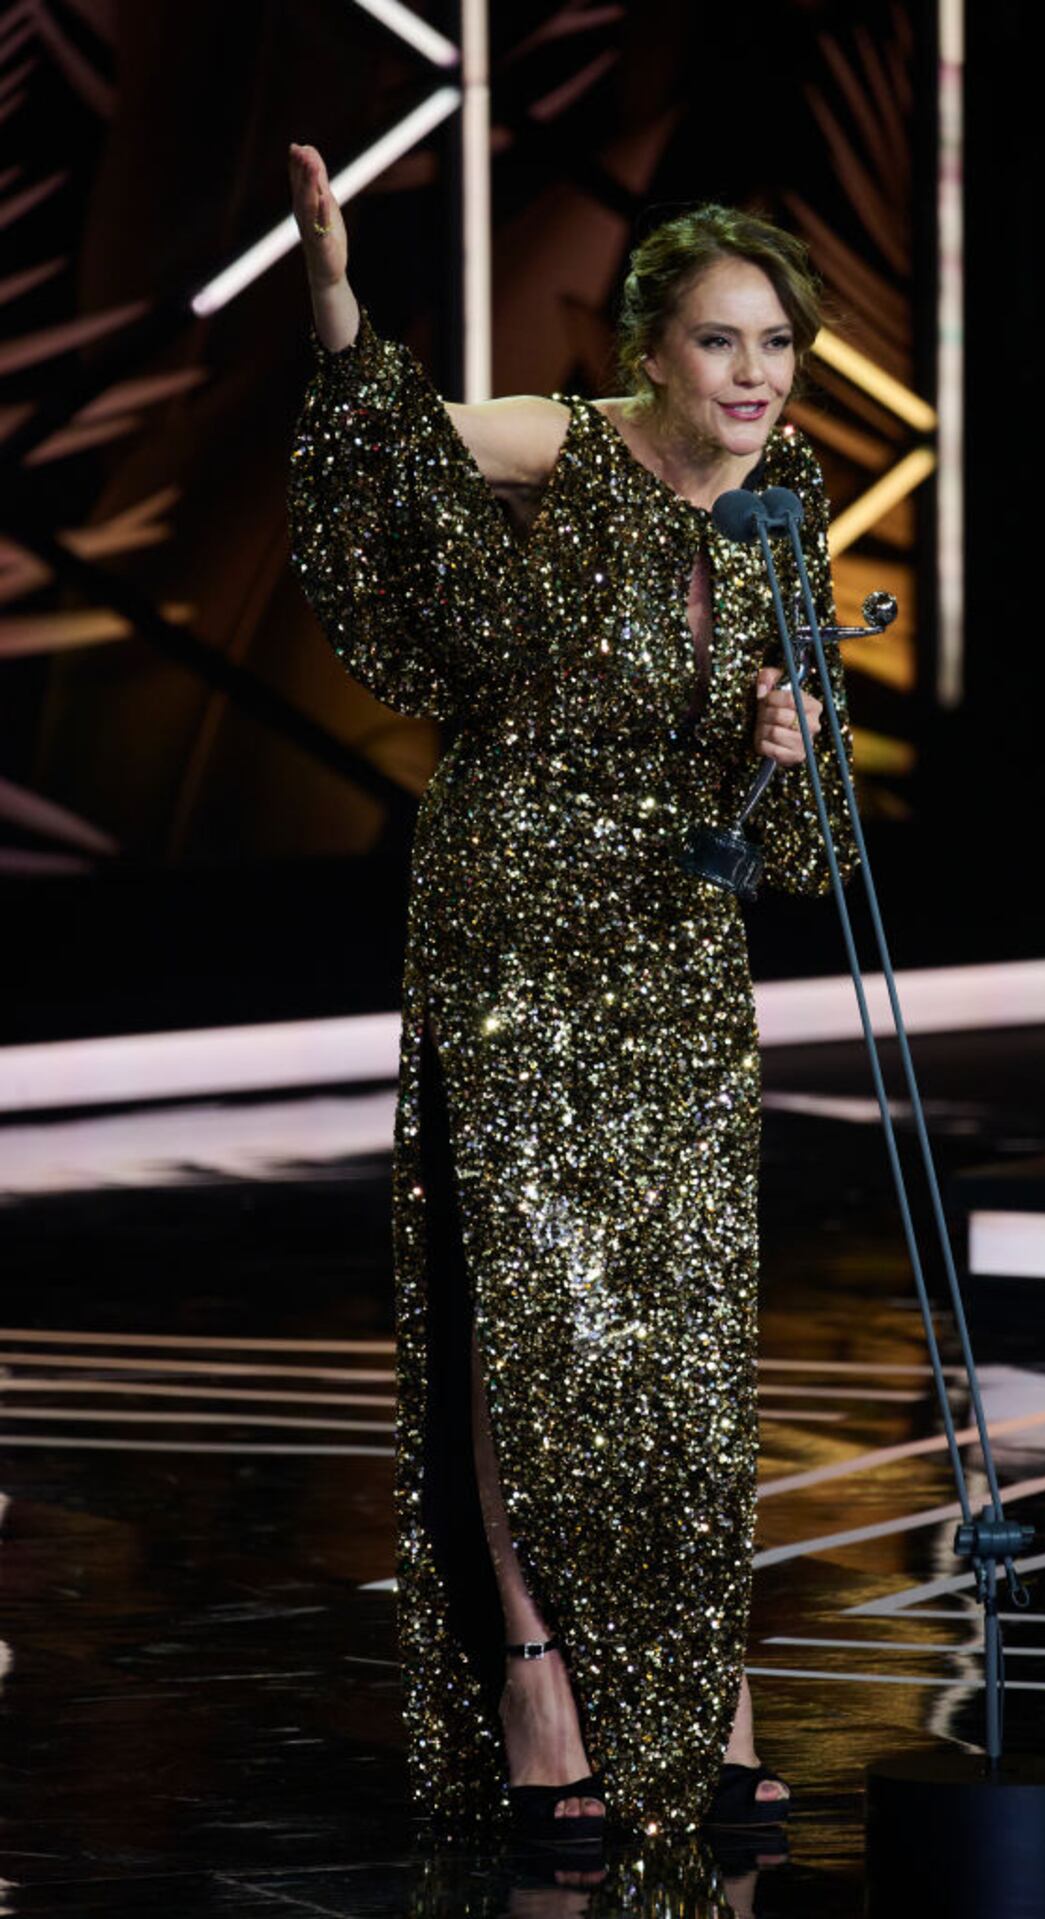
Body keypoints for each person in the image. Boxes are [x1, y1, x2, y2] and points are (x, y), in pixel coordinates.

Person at [287, 143, 858, 1842]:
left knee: (681, 1334)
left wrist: (789, 745)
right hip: (518, 924)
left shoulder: (790, 507)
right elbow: (381, 440)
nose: (754, 377)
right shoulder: (570, 445)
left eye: (778, 344)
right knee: (538, 1319)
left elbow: (807, 844)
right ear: (648, 350)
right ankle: (539, 1685)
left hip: (678, 947)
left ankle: (711, 1687)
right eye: (718, 342)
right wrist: (328, 285)